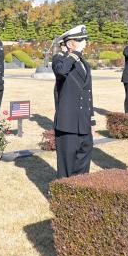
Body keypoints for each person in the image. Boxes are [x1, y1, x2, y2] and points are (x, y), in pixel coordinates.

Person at [52, 25, 95, 178]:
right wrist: (74, 53)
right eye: (80, 40)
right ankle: (63, 198)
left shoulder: (84, 63)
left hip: (83, 122)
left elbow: (88, 92)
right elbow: (61, 71)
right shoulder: (60, 59)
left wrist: (92, 120)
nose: (84, 42)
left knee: (83, 162)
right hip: (68, 122)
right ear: (70, 44)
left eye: (84, 39)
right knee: (67, 165)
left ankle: (79, 195)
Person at [53, 39, 68, 109]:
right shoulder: (58, 57)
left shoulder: (72, 56)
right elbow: (59, 74)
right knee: (60, 110)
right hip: (61, 87)